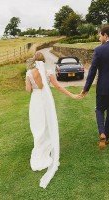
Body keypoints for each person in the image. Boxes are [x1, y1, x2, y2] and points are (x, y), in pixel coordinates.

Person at [25, 52, 80, 188]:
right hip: (47, 101)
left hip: (36, 100)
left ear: (34, 61)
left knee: (37, 124)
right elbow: (58, 87)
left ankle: (39, 146)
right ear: (44, 61)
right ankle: (47, 145)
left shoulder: (29, 73)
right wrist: (72, 95)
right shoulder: (48, 72)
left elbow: (28, 90)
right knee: (47, 123)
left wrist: (32, 84)